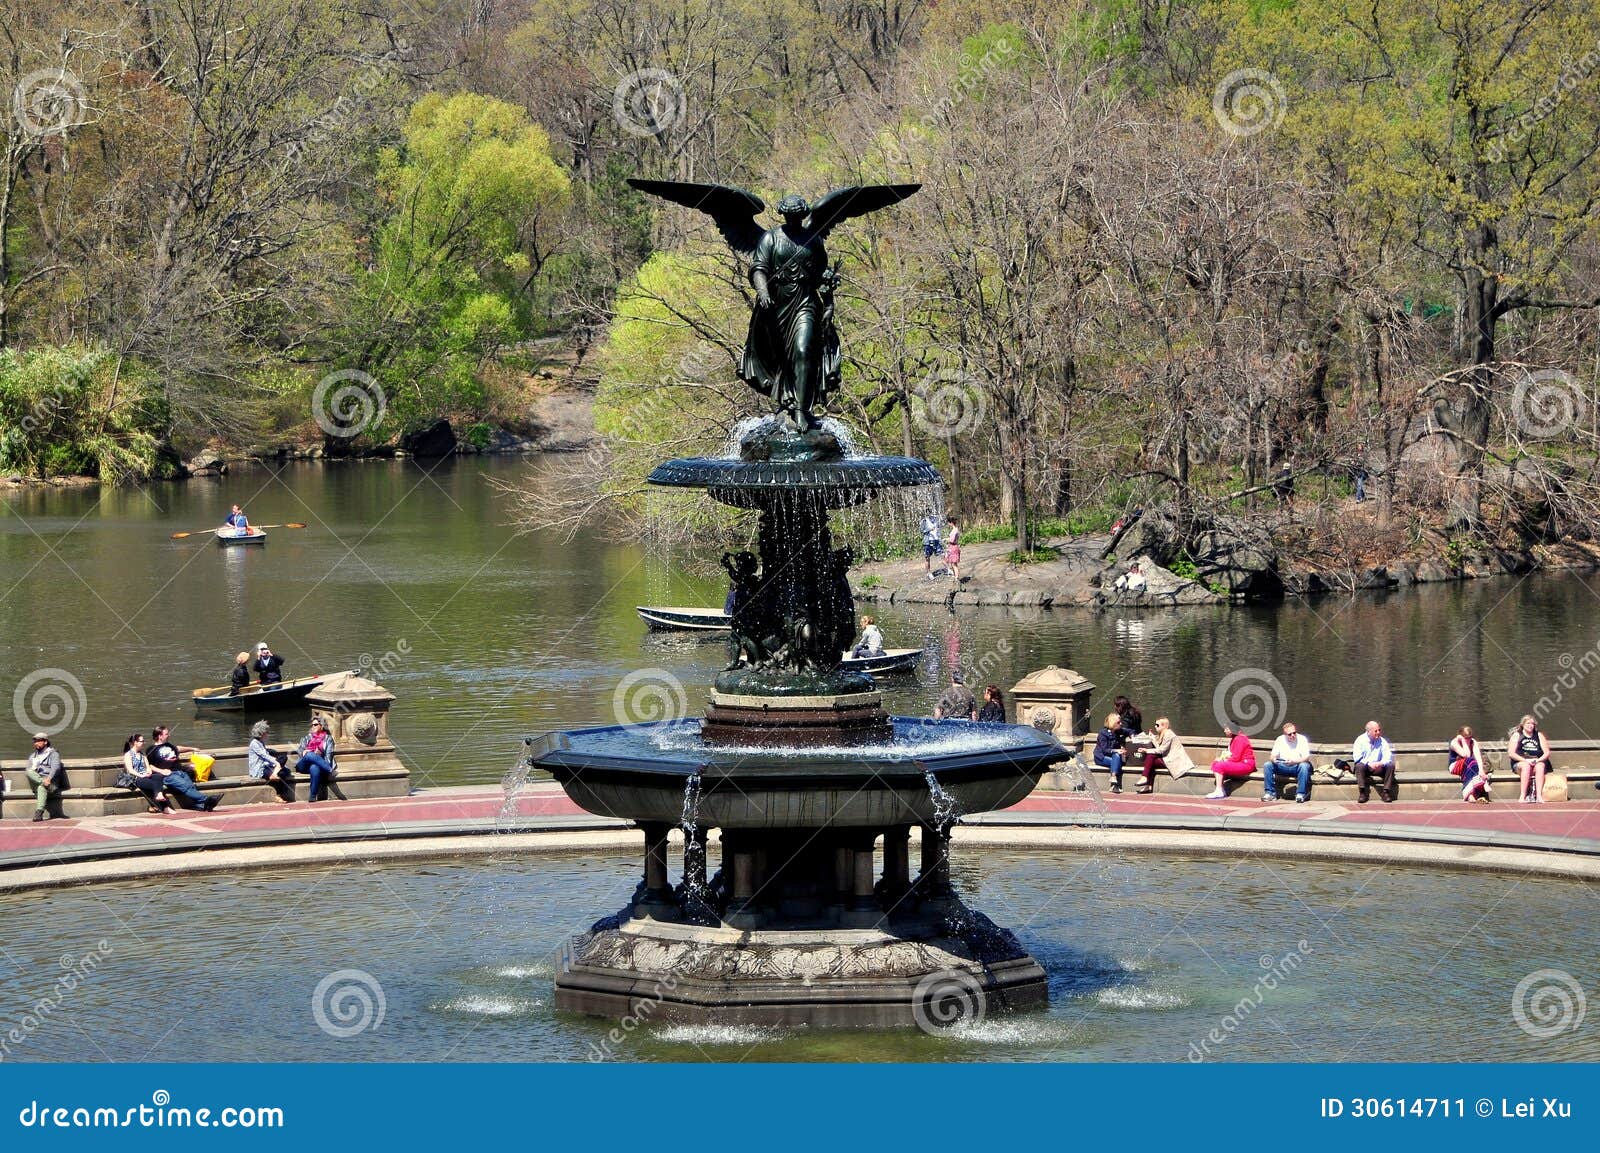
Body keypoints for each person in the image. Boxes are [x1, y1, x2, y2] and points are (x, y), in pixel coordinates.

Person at [148, 725, 218, 811]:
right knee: (185, 786)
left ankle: (202, 806)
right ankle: (206, 800)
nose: (169, 735)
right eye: (166, 734)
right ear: (160, 736)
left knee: (191, 787)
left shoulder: (169, 745)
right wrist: (161, 771)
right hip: (168, 775)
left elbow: (178, 748)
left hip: (180, 772)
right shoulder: (151, 749)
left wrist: (192, 748)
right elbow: (149, 765)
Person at [121, 733, 175, 815]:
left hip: (146, 776)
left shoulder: (142, 754)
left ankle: (159, 796)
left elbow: (148, 767)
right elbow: (130, 770)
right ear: (135, 742)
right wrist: (142, 775)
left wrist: (149, 772)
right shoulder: (128, 755)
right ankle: (165, 807)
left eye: (143, 741)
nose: (143, 743)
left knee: (158, 776)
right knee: (155, 784)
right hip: (136, 778)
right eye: (141, 741)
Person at [1138, 717, 1192, 795]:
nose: (1155, 726)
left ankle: (1145, 779)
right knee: (1151, 760)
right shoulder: (1164, 734)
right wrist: (1153, 738)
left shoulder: (1169, 734)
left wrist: (1146, 750)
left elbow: (1161, 750)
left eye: (1157, 725)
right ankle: (1147, 785)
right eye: (1155, 725)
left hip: (1173, 760)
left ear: (1164, 726)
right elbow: (1160, 748)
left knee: (1150, 757)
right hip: (1167, 758)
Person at [1263, 721, 1314, 802]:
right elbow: (1272, 756)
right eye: (1290, 734)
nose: (1293, 735)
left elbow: (1306, 757)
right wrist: (1274, 760)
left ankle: (1300, 794)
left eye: (1294, 733)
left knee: (1304, 766)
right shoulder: (1280, 739)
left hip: (1297, 766)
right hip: (1282, 765)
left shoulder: (1302, 739)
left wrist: (1294, 761)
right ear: (1285, 734)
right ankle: (1270, 793)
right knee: (1267, 765)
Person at [248, 720, 295, 803]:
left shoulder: (261, 742)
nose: (268, 734)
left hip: (267, 766)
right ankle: (278, 794)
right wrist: (277, 763)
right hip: (260, 769)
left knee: (285, 767)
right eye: (267, 732)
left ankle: (275, 773)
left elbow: (267, 755)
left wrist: (278, 763)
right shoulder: (254, 743)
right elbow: (264, 756)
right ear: (262, 733)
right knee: (282, 772)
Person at [1508, 714, 1551, 803]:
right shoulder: (1517, 735)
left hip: (1536, 761)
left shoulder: (1539, 735)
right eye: (1528, 723)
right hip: (1520, 762)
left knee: (1540, 766)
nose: (1530, 725)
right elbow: (1511, 753)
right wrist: (1525, 760)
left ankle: (1539, 796)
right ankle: (1522, 796)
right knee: (1526, 766)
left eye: (1532, 724)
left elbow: (1546, 752)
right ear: (1523, 724)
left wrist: (1538, 760)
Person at [1204, 724, 1256, 799]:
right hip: (1240, 763)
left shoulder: (1240, 739)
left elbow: (1236, 757)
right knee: (1215, 764)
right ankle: (1221, 789)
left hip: (1246, 764)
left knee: (1219, 765)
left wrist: (1223, 760)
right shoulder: (1235, 738)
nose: (1224, 731)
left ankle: (1219, 791)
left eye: (1227, 729)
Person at [295, 717, 339, 803]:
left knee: (314, 768)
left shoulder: (328, 739)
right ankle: (330, 770)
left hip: (319, 764)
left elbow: (328, 755)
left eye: (315, 724)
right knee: (310, 754)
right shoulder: (307, 737)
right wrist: (305, 752)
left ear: (321, 726)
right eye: (312, 725)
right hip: (303, 764)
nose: (313, 726)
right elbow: (300, 751)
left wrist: (320, 754)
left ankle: (312, 796)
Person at [1352, 720, 1396, 803]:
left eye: (1379, 730)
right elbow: (1357, 758)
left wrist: (1381, 763)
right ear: (1369, 731)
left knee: (1390, 765)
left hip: (1379, 767)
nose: (1378, 732)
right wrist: (1369, 764)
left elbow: (1388, 756)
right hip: (1366, 767)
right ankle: (1362, 792)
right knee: (1359, 766)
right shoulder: (1360, 740)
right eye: (1376, 731)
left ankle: (1386, 792)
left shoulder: (1382, 741)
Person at [24, 732, 64, 822]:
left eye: (38, 741)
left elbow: (56, 768)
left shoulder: (53, 754)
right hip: (38, 781)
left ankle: (39, 812)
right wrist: (43, 781)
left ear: (45, 742)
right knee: (29, 771)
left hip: (51, 783)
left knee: (42, 787)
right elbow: (28, 771)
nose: (36, 743)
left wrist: (49, 779)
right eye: (34, 741)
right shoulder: (33, 756)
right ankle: (43, 783)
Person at [1094, 711, 1135, 795]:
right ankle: (1115, 784)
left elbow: (1130, 731)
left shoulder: (1117, 730)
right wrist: (1116, 750)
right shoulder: (1103, 733)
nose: (1121, 723)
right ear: (1113, 723)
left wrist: (1132, 737)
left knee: (1116, 759)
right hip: (1101, 757)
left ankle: (1113, 780)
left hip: (1113, 757)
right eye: (1118, 722)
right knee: (1117, 759)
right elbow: (1104, 749)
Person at [1451, 725, 1491, 804]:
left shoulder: (1473, 742)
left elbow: (1478, 757)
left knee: (1474, 764)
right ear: (1461, 736)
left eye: (1470, 737)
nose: (1469, 739)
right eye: (1466, 738)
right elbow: (1466, 755)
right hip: (1455, 766)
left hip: (1468, 766)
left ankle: (1471, 795)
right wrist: (1463, 741)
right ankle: (1471, 792)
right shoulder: (1454, 742)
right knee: (1470, 761)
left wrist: (1481, 771)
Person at [920, 511, 942, 579]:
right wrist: (929, 529)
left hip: (936, 540)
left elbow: (938, 528)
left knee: (942, 555)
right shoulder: (924, 521)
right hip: (927, 542)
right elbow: (921, 531)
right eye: (930, 513)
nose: (932, 514)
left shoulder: (935, 519)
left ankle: (948, 569)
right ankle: (929, 573)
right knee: (927, 558)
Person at [944, 517, 962, 583]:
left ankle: (956, 577)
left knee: (954, 564)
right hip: (953, 547)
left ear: (951, 523)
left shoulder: (955, 530)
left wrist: (946, 539)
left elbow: (952, 540)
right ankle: (955, 576)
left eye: (948, 523)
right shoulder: (955, 529)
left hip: (953, 547)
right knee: (952, 563)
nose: (948, 524)